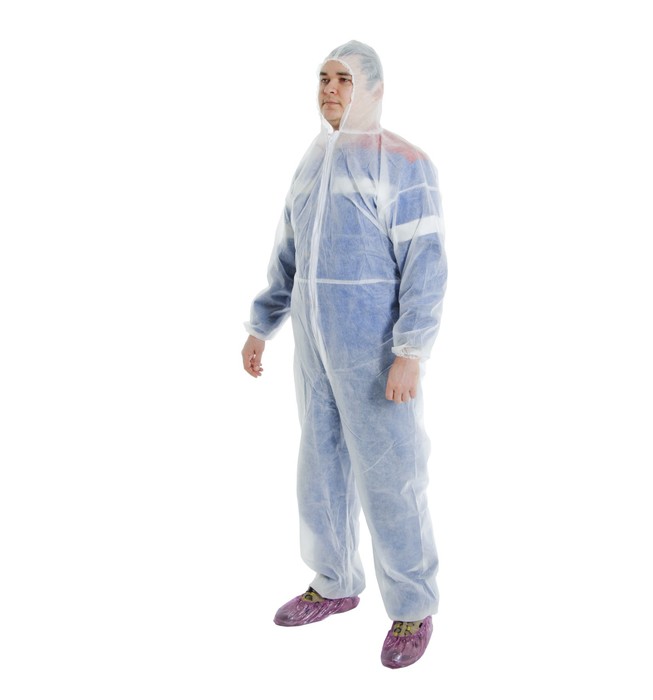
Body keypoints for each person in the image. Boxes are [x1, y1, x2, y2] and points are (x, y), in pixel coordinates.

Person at [241, 40, 447, 669]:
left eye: (344, 79)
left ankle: (412, 605)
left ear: (373, 90)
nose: (329, 89)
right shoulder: (312, 162)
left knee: (392, 478)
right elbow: (289, 253)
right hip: (314, 353)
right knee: (320, 469)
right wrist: (261, 325)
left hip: (376, 355)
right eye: (323, 78)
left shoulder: (403, 163)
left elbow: (426, 263)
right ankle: (334, 583)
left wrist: (410, 351)